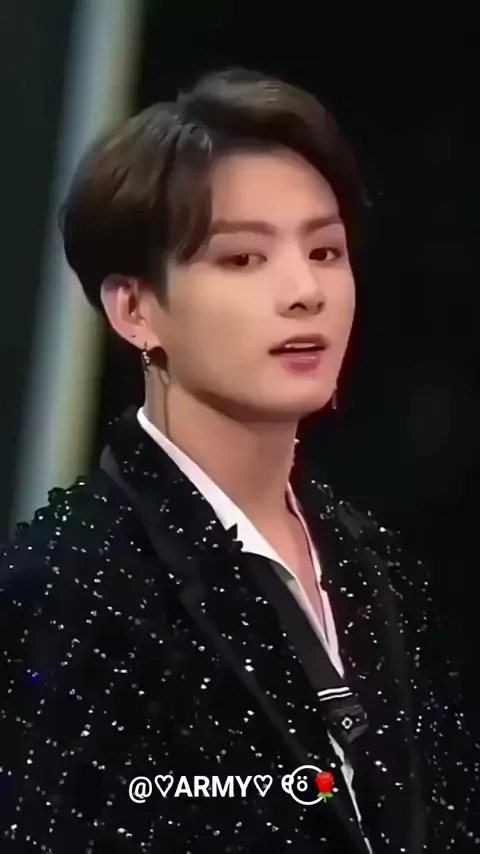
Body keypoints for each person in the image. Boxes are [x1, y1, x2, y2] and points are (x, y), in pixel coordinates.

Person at [0, 68, 478, 854]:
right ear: (135, 308)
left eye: (325, 250)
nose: (305, 291)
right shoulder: (69, 589)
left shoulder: (379, 570)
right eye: (244, 259)